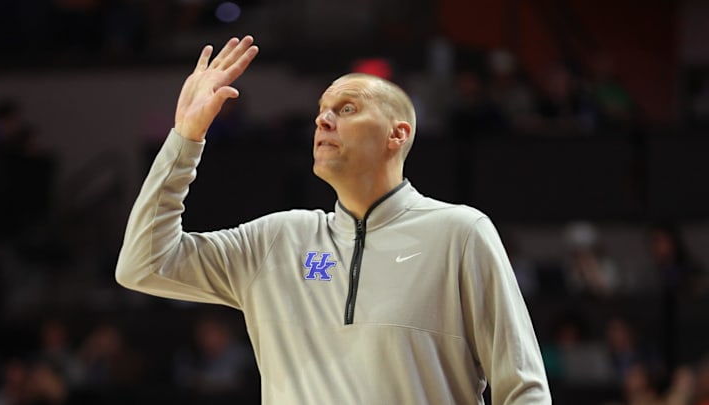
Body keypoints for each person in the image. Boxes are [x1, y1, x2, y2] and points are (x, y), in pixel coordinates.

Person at [115, 35, 551, 404]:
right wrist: (185, 140)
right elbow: (144, 264)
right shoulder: (276, 239)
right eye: (322, 110)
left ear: (397, 135)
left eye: (346, 109)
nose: (323, 119)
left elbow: (524, 389)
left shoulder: (460, 233)